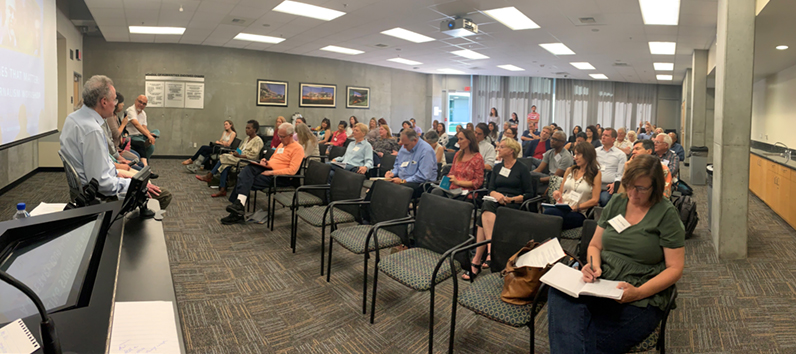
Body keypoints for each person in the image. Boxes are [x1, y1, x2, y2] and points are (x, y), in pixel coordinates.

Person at [548, 153, 685, 353]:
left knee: (584, 339)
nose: (632, 193)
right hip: (603, 283)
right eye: (629, 185)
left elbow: (675, 268)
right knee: (559, 293)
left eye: (640, 188)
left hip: (639, 291)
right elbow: (595, 245)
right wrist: (594, 265)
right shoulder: (619, 202)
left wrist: (639, 292)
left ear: (655, 187)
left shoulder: (666, 214)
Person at [60, 75, 171, 209]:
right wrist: (133, 185)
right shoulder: (92, 131)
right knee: (164, 195)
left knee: (138, 177)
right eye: (114, 100)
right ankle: (124, 228)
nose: (116, 104)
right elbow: (103, 184)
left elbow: (98, 167)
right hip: (97, 196)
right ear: (104, 102)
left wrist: (120, 173)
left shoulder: (72, 118)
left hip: (83, 191)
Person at [464, 138, 533, 279]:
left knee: (482, 217)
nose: (498, 149)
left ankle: (477, 260)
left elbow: (529, 194)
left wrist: (511, 199)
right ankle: (490, 251)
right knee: (487, 204)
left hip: (512, 203)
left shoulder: (522, 169)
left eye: (501, 147)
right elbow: (490, 189)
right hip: (495, 201)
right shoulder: (497, 168)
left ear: (511, 151)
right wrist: (495, 194)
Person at [222, 123, 305, 224]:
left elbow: (292, 171)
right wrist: (266, 161)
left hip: (279, 177)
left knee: (243, 178)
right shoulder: (281, 145)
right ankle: (239, 206)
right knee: (248, 169)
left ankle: (237, 211)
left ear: (291, 136)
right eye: (279, 136)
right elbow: (274, 159)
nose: (279, 139)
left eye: (282, 137)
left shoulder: (298, 149)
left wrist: (271, 172)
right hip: (267, 168)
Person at [197, 120, 263, 198]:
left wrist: (239, 156)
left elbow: (254, 156)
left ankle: (210, 175)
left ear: (254, 130)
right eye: (246, 128)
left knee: (224, 156)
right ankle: (222, 189)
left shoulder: (258, 141)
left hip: (246, 161)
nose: (246, 130)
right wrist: (235, 153)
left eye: (249, 128)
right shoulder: (247, 139)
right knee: (225, 165)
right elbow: (240, 149)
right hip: (238, 158)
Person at [545, 141, 602, 230]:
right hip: (563, 207)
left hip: (578, 212)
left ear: (587, 155)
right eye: (575, 154)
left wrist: (576, 207)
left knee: (550, 218)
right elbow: (560, 192)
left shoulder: (596, 174)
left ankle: (546, 241)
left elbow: (595, 200)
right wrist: (557, 193)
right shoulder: (569, 170)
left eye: (578, 155)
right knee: (550, 216)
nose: (575, 158)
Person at [384, 129, 437, 199]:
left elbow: (423, 176)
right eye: (403, 145)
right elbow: (397, 165)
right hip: (402, 179)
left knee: (394, 191)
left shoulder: (426, 151)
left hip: (420, 183)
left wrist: (403, 181)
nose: (404, 147)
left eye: (406, 145)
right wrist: (392, 173)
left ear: (415, 140)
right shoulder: (404, 147)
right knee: (380, 185)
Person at [432, 129, 484, 200]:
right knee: (435, 193)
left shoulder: (478, 158)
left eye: (461, 139)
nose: (458, 142)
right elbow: (451, 173)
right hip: (452, 189)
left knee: (449, 201)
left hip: (466, 192)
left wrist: (458, 182)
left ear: (469, 141)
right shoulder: (458, 155)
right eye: (458, 139)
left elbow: (478, 182)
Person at [596, 128, 627, 206]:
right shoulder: (595, 151)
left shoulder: (620, 154)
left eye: (606, 135)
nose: (603, 137)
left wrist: (615, 184)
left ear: (613, 139)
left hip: (608, 187)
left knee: (604, 199)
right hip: (593, 184)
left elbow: (620, 174)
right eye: (602, 135)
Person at [125, 95, 157, 168]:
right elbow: (136, 124)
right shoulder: (130, 110)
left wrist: (150, 134)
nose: (141, 105)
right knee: (142, 143)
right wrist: (149, 136)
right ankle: (145, 166)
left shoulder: (143, 113)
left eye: (144, 104)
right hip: (131, 136)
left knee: (153, 140)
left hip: (140, 135)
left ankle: (145, 164)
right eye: (140, 102)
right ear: (136, 101)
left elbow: (144, 127)